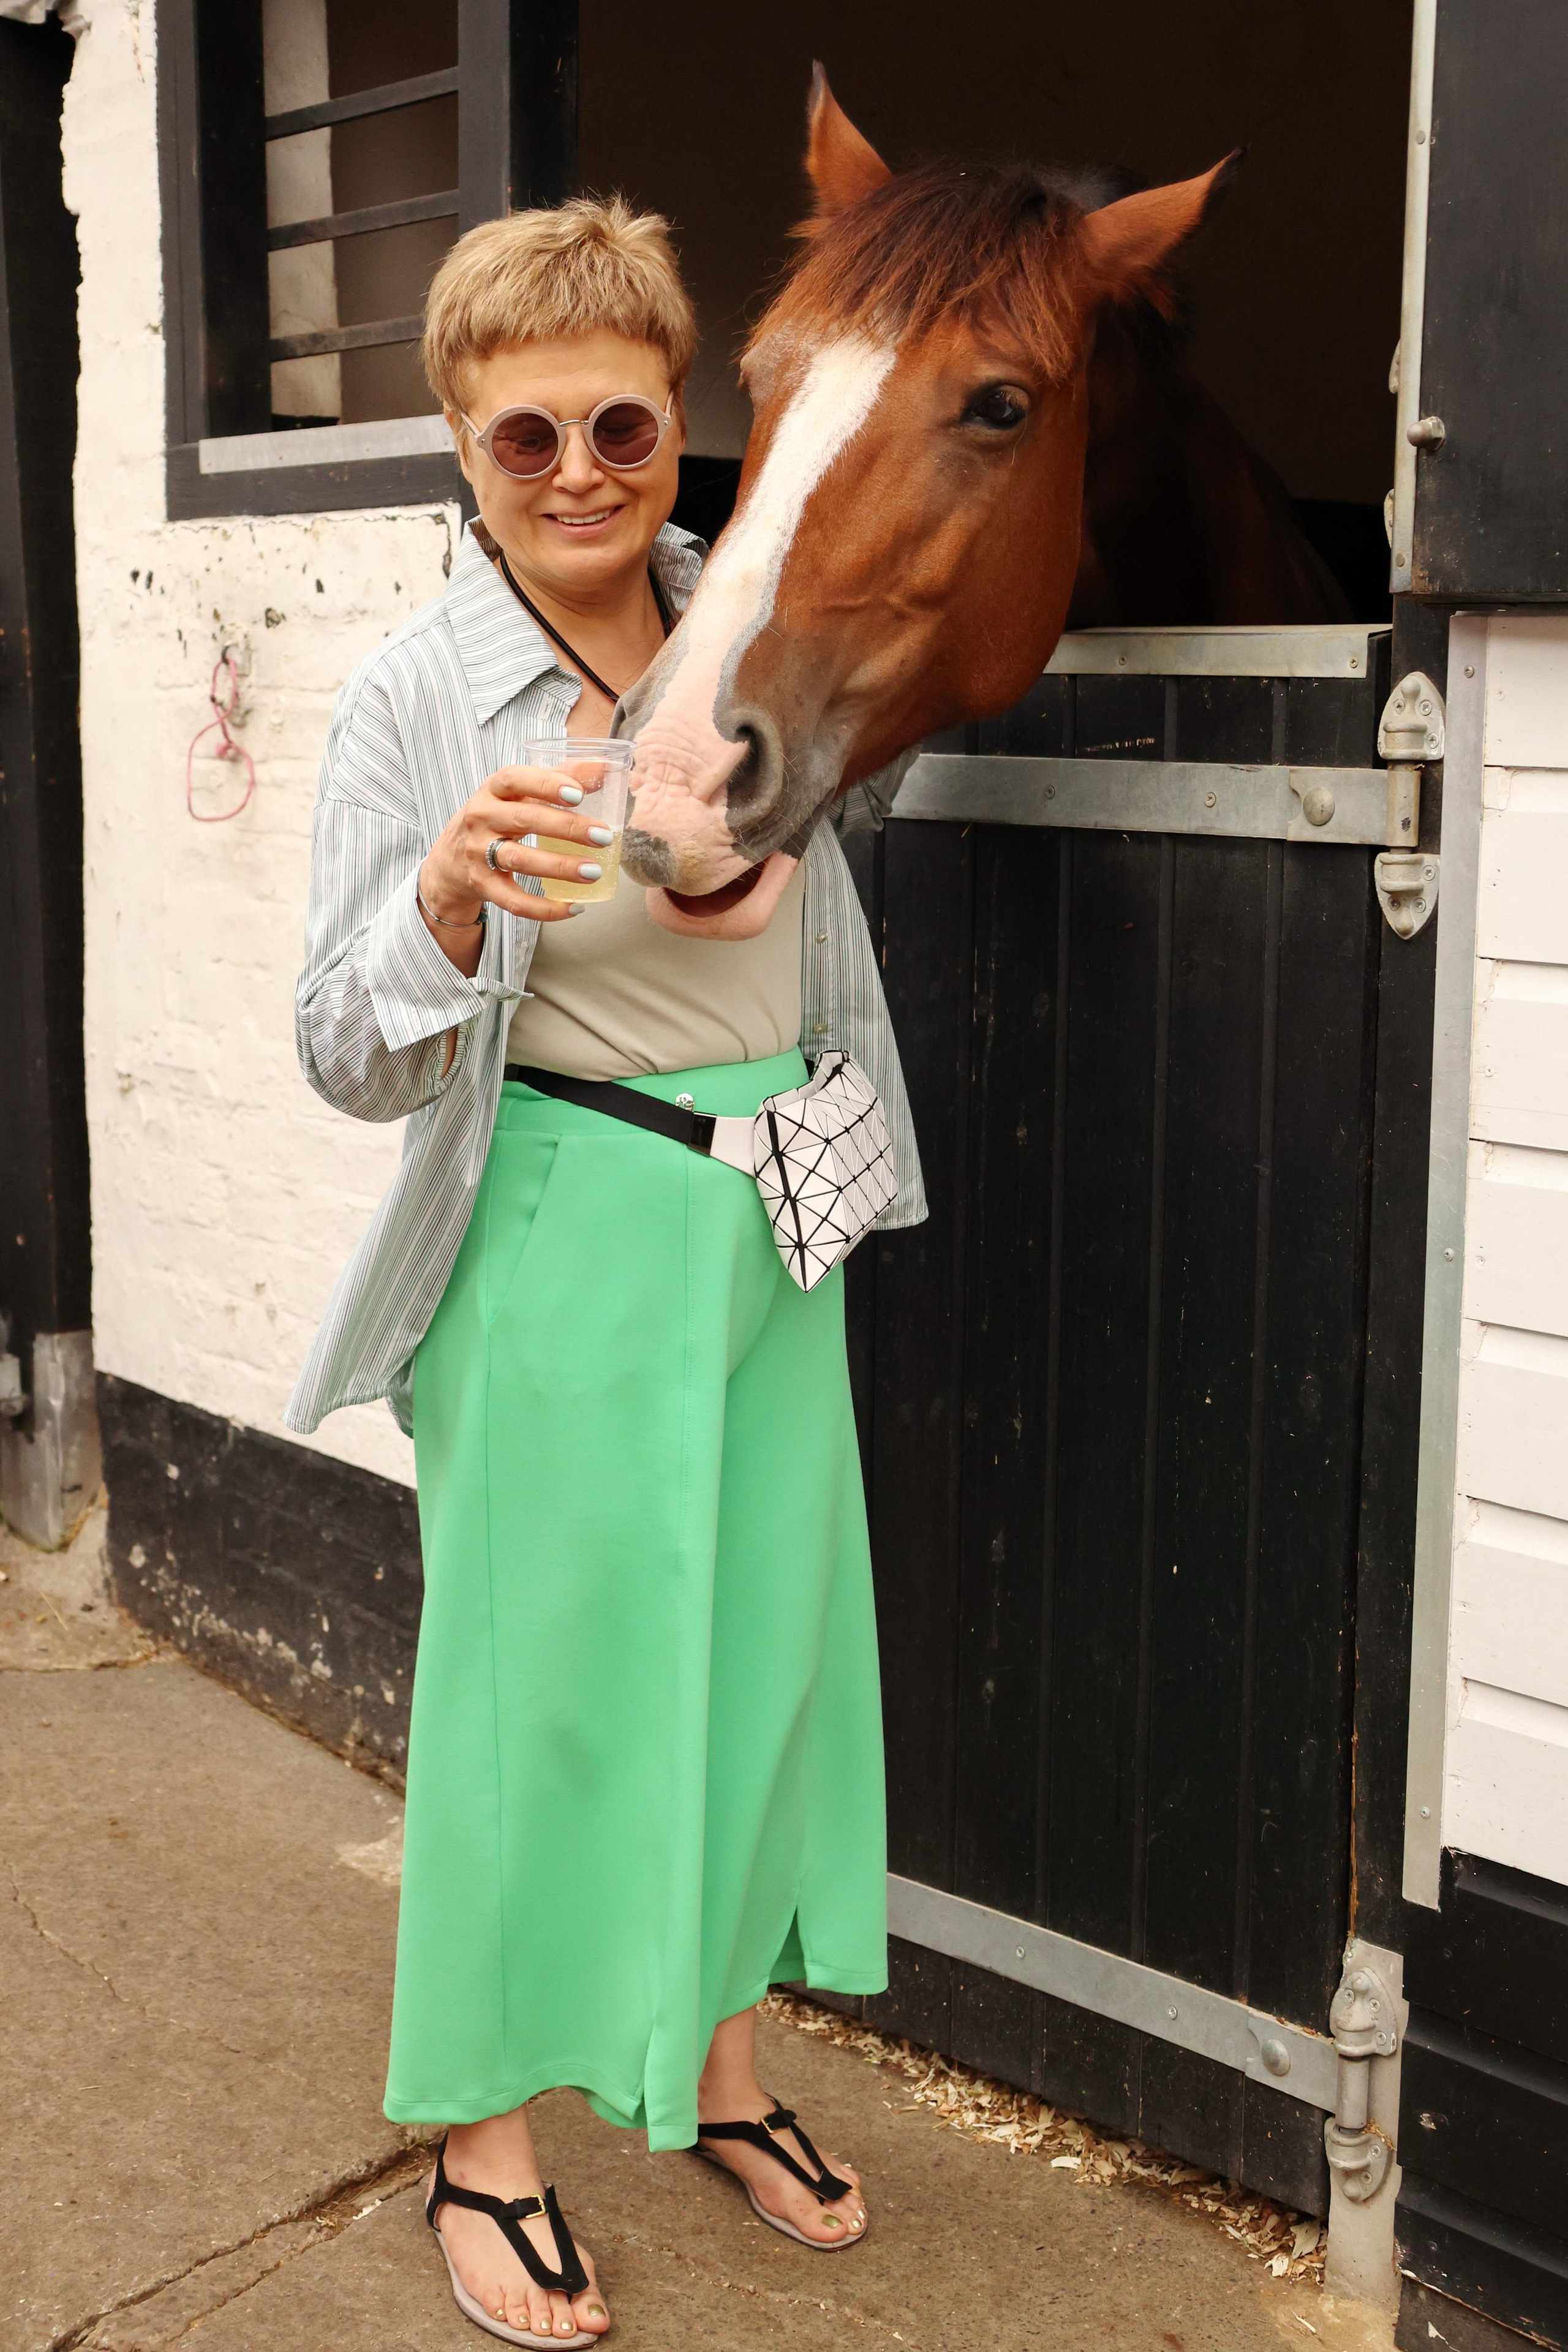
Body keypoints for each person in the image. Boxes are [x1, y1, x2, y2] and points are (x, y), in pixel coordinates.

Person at [286, 197, 925, 2348]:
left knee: (761, 1675)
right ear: (464, 451)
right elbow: (339, 1049)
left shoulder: (759, 624)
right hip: (562, 1227)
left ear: (679, 429)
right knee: (528, 1708)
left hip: (773, 1229)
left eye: (622, 429)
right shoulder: (418, 694)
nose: (578, 477)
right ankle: (481, 2137)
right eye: (525, 439)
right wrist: (448, 900)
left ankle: (718, 2070)